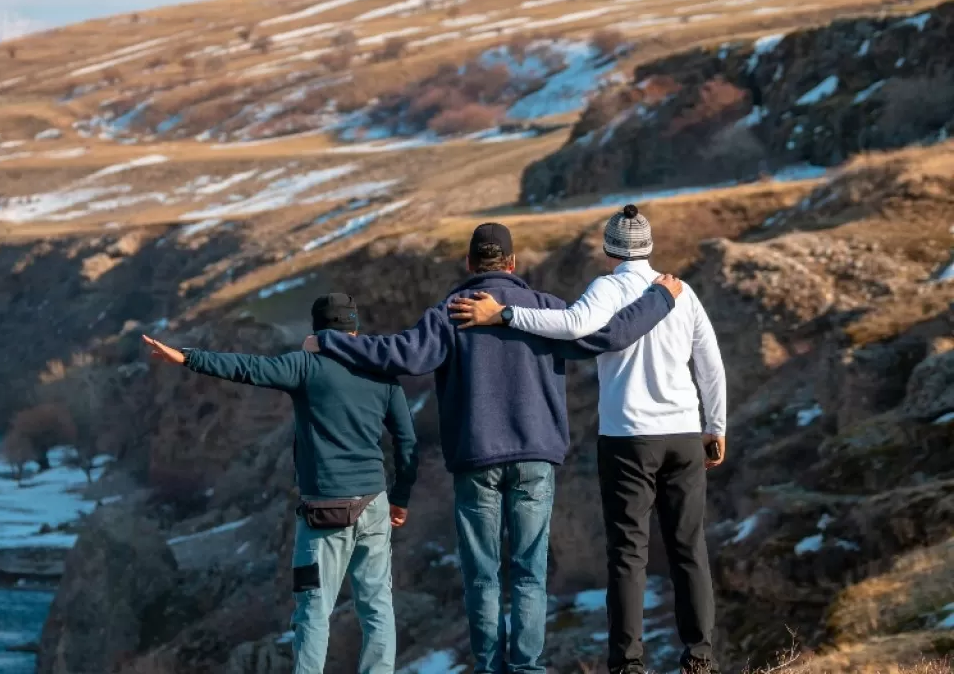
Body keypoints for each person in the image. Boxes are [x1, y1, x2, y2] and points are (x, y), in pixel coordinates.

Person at [304, 223, 684, 674]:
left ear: (469, 264)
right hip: (535, 457)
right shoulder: (544, 309)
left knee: (482, 575)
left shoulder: (451, 311)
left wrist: (328, 341)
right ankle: (526, 668)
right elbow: (606, 336)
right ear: (512, 263)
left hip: (476, 458)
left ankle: (487, 667)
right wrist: (661, 299)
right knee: (529, 572)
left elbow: (400, 355)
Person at [448, 205, 726, 674]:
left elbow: (574, 325)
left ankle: (628, 664)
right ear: (650, 246)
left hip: (628, 438)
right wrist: (715, 426)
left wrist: (505, 315)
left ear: (608, 247)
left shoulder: (608, 287)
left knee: (628, 553)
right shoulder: (684, 292)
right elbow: (711, 365)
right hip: (682, 433)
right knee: (689, 548)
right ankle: (700, 657)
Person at [142, 293, 417, 674]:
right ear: (354, 328)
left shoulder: (306, 366)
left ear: (317, 330)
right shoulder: (382, 373)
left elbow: (248, 368)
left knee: (313, 610)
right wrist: (400, 497)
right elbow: (406, 440)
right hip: (374, 505)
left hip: (324, 512)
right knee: (376, 606)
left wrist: (188, 356)